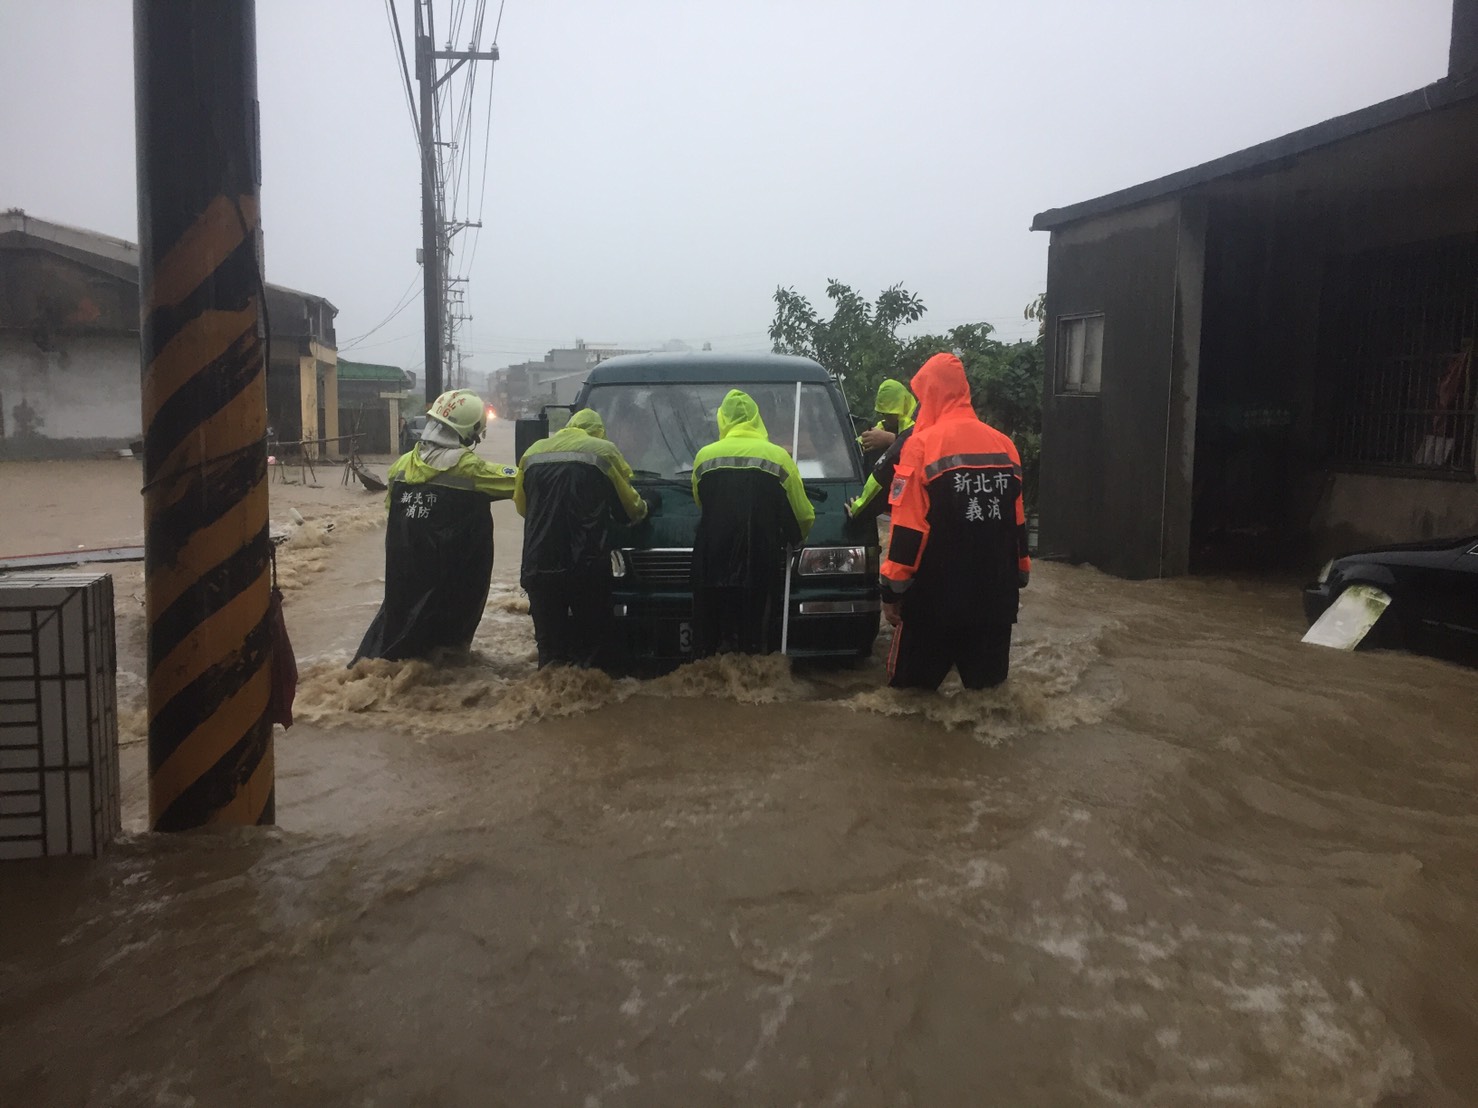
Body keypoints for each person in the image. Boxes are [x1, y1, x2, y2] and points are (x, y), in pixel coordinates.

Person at [879, 353, 1030, 690]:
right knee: (988, 701)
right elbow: (1016, 523)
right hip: (996, 601)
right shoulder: (1006, 446)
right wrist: (1020, 571)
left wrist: (891, 591)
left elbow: (908, 531)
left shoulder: (921, 446)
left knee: (908, 704)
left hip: (935, 604)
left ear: (931, 394)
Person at [352, 389, 517, 664]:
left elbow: (392, 513)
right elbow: (521, 482)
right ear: (468, 433)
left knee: (399, 642)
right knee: (444, 653)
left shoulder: (400, 467)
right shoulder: (469, 468)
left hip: (404, 579)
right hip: (452, 585)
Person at [514, 408, 648, 669]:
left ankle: (546, 700)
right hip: (585, 567)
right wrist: (647, 506)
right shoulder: (602, 451)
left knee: (549, 651)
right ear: (598, 432)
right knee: (593, 652)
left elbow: (522, 508)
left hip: (538, 565)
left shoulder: (532, 454)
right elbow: (630, 509)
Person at [690, 389, 814, 657]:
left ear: (722, 419)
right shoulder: (779, 458)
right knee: (755, 642)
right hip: (760, 562)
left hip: (711, 563)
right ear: (757, 419)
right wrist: (798, 538)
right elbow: (803, 515)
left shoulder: (704, 458)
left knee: (712, 646)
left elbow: (701, 503)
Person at [847, 379, 919, 521]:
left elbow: (880, 475)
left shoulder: (920, 424)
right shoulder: (887, 425)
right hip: (893, 508)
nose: (886, 418)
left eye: (889, 414)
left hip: (910, 508)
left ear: (900, 408)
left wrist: (858, 508)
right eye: (883, 414)